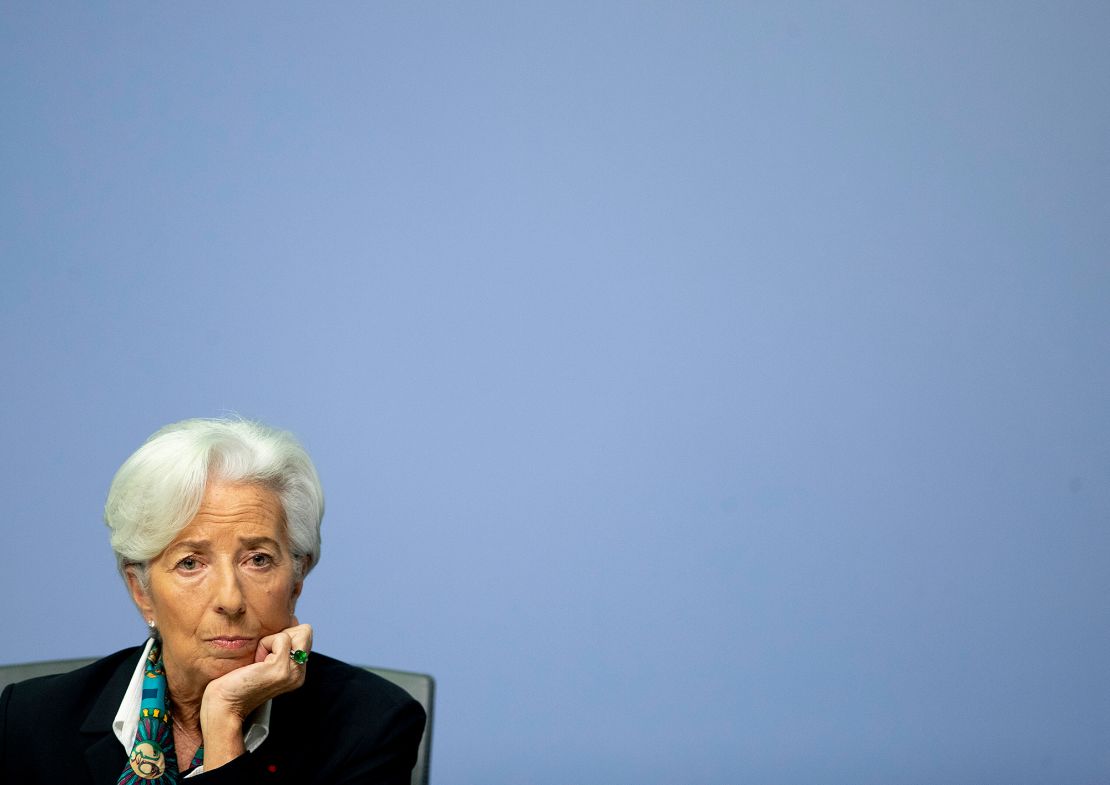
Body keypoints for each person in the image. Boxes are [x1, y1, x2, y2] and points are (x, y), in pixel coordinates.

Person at [0, 418, 425, 784]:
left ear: (295, 580)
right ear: (141, 591)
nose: (230, 599)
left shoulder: (371, 725)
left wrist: (223, 719)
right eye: (190, 563)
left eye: (258, 559)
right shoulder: (29, 721)